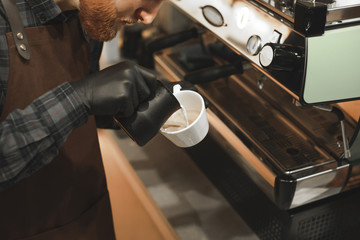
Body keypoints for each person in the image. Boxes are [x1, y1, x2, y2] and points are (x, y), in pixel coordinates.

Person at [0, 0, 164, 239]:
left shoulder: (89, 14)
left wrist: (127, 104)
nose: (150, 17)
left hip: (87, 215)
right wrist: (79, 98)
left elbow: (80, 113)